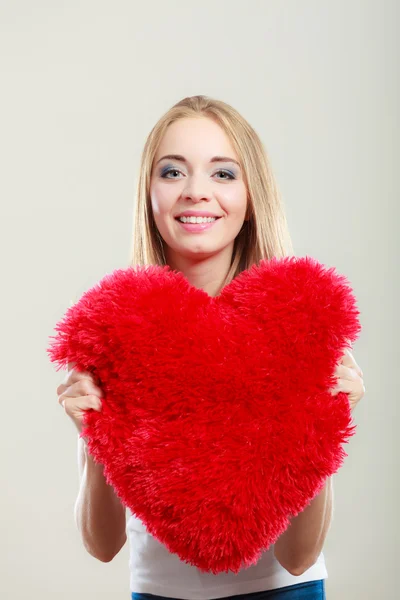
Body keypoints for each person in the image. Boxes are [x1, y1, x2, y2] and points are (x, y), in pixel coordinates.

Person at [56, 95, 365, 600]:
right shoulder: (114, 330)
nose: (196, 192)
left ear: (251, 198)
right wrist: (92, 435)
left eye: (223, 174)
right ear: (149, 194)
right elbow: (102, 544)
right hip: (158, 593)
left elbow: (298, 555)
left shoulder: (301, 324)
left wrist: (324, 428)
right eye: (173, 172)